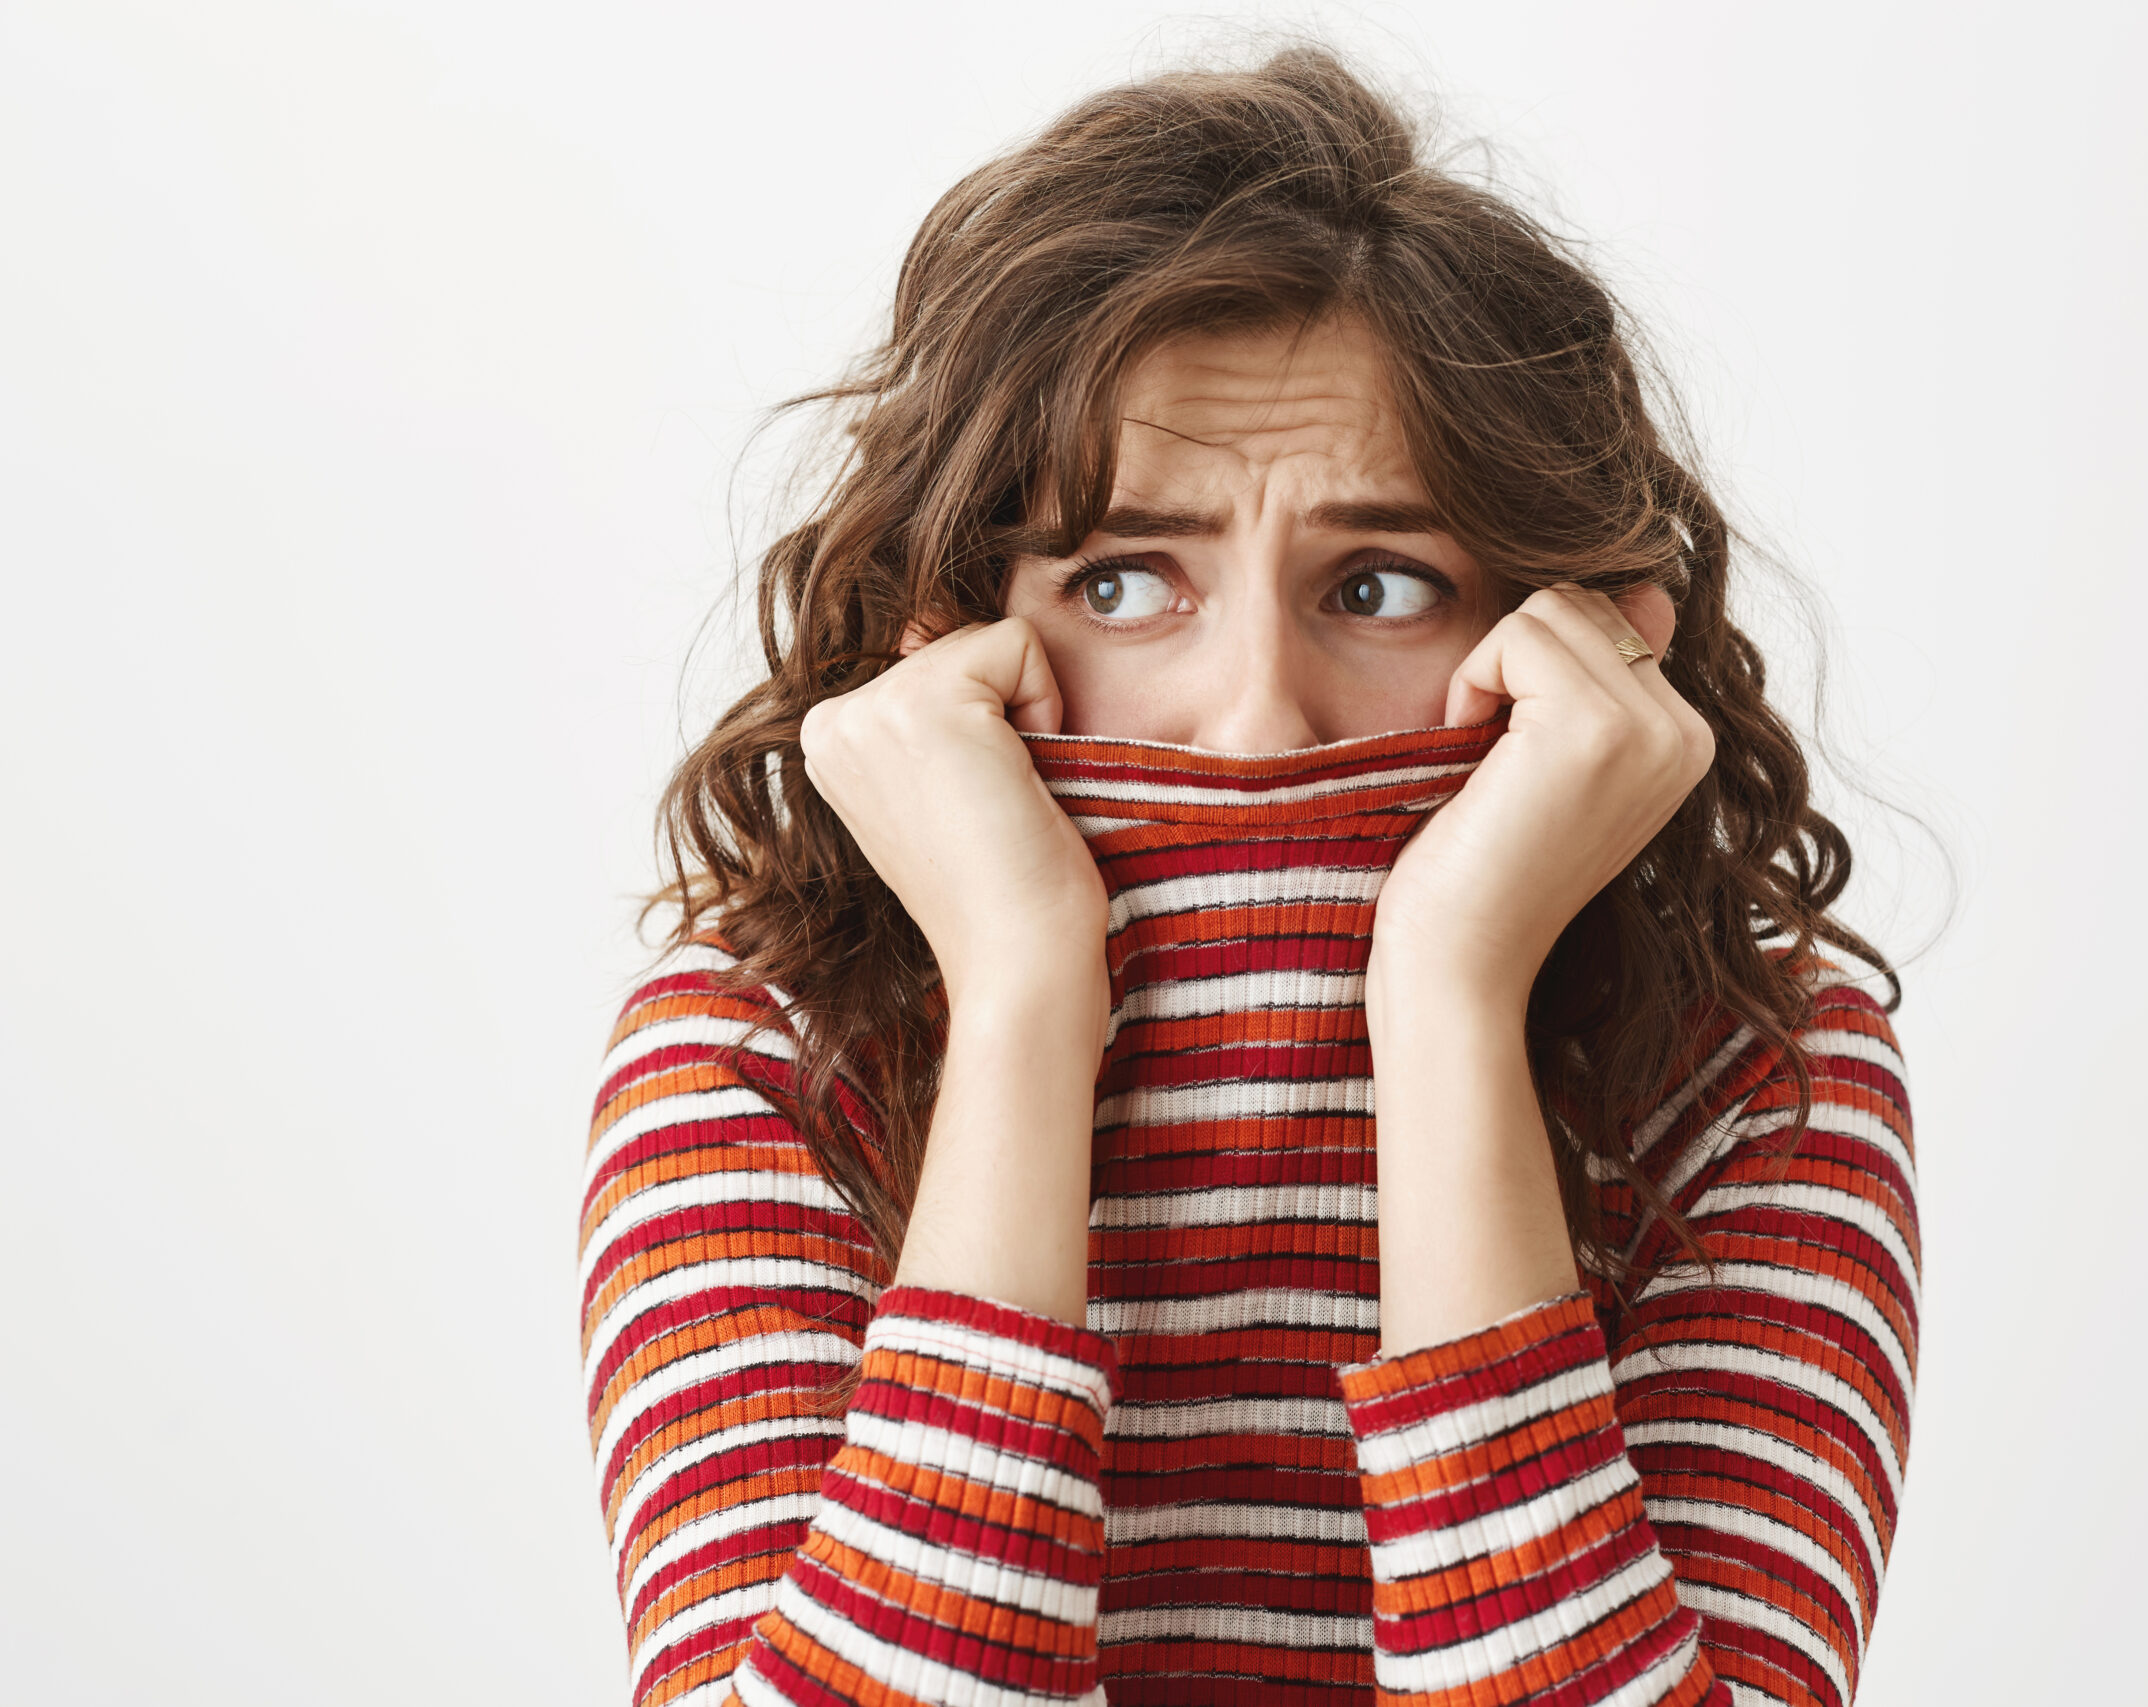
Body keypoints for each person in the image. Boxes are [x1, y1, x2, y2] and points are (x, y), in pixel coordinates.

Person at [581, 46, 1916, 1707]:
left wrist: (1444, 1005)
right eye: (1128, 581)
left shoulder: (1749, 1073)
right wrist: (1018, 1004)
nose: (1255, 723)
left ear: (1580, 639)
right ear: (950, 642)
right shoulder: (763, 1053)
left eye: (1378, 587)